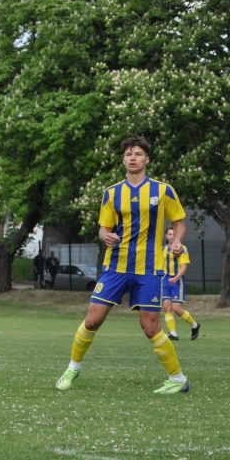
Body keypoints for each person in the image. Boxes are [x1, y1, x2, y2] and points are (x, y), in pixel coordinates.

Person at [55, 137, 190, 394]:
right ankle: (73, 367)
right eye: (128, 153)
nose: (133, 157)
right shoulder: (112, 193)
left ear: (146, 160)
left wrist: (178, 241)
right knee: (92, 320)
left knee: (150, 327)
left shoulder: (163, 190)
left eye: (138, 154)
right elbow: (103, 229)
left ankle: (179, 379)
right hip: (115, 266)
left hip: (150, 269)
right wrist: (104, 235)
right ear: (123, 160)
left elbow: (179, 222)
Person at [162, 227, 200, 341]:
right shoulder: (163, 249)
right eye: (169, 234)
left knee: (177, 309)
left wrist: (175, 278)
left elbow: (184, 267)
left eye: (174, 234)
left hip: (177, 281)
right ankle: (173, 334)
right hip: (165, 280)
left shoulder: (182, 249)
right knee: (166, 307)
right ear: (166, 236)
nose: (172, 236)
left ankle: (195, 325)